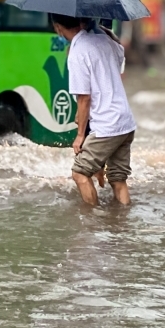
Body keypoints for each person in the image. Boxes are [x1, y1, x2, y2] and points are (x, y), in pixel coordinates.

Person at [52, 13, 137, 206]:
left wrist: (80, 135)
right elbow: (119, 57)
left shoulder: (79, 51)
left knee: (80, 173)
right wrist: (110, 34)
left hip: (107, 125)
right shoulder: (105, 40)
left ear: (58, 27)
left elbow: (84, 97)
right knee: (117, 178)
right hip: (125, 122)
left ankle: (94, 220)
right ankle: (122, 221)